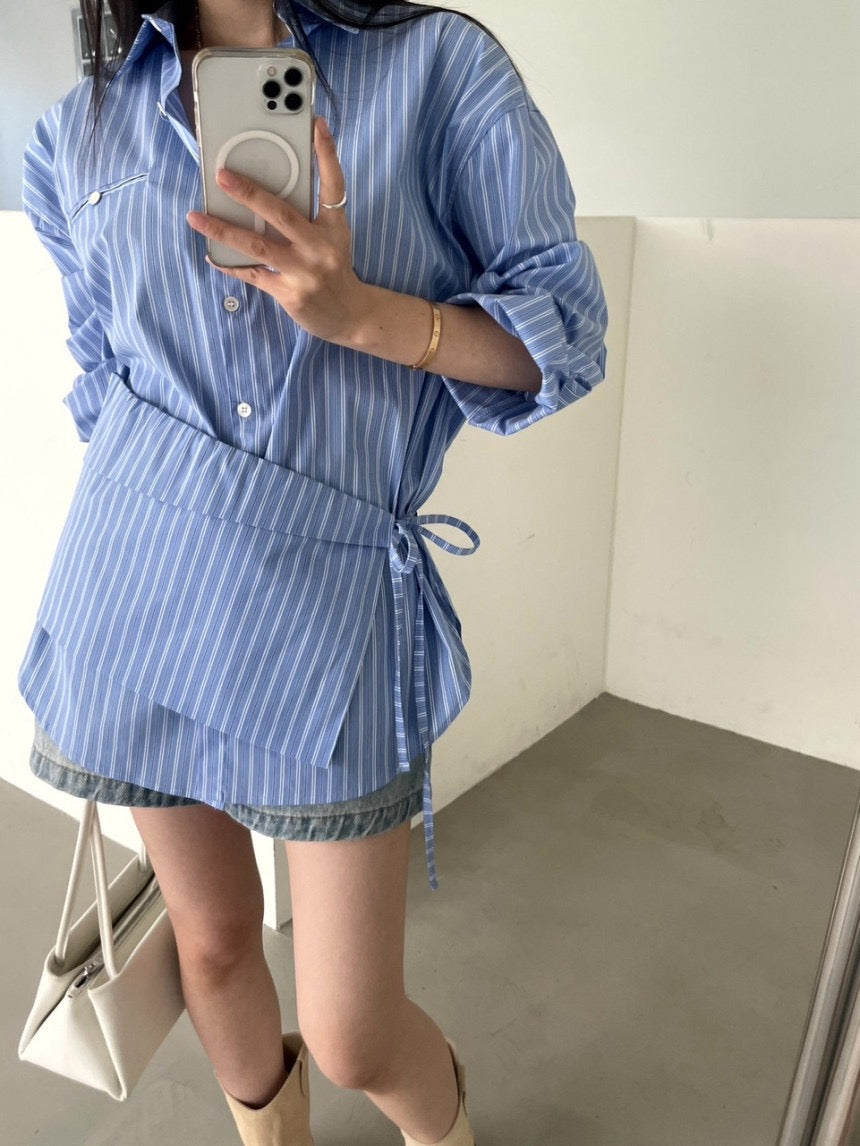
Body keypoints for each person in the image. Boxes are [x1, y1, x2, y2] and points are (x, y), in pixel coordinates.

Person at [18, 0, 609, 1142]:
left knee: (354, 1030)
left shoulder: (437, 69)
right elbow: (102, 374)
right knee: (211, 943)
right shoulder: (76, 128)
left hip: (330, 598)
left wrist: (365, 316)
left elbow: (565, 335)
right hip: (137, 583)